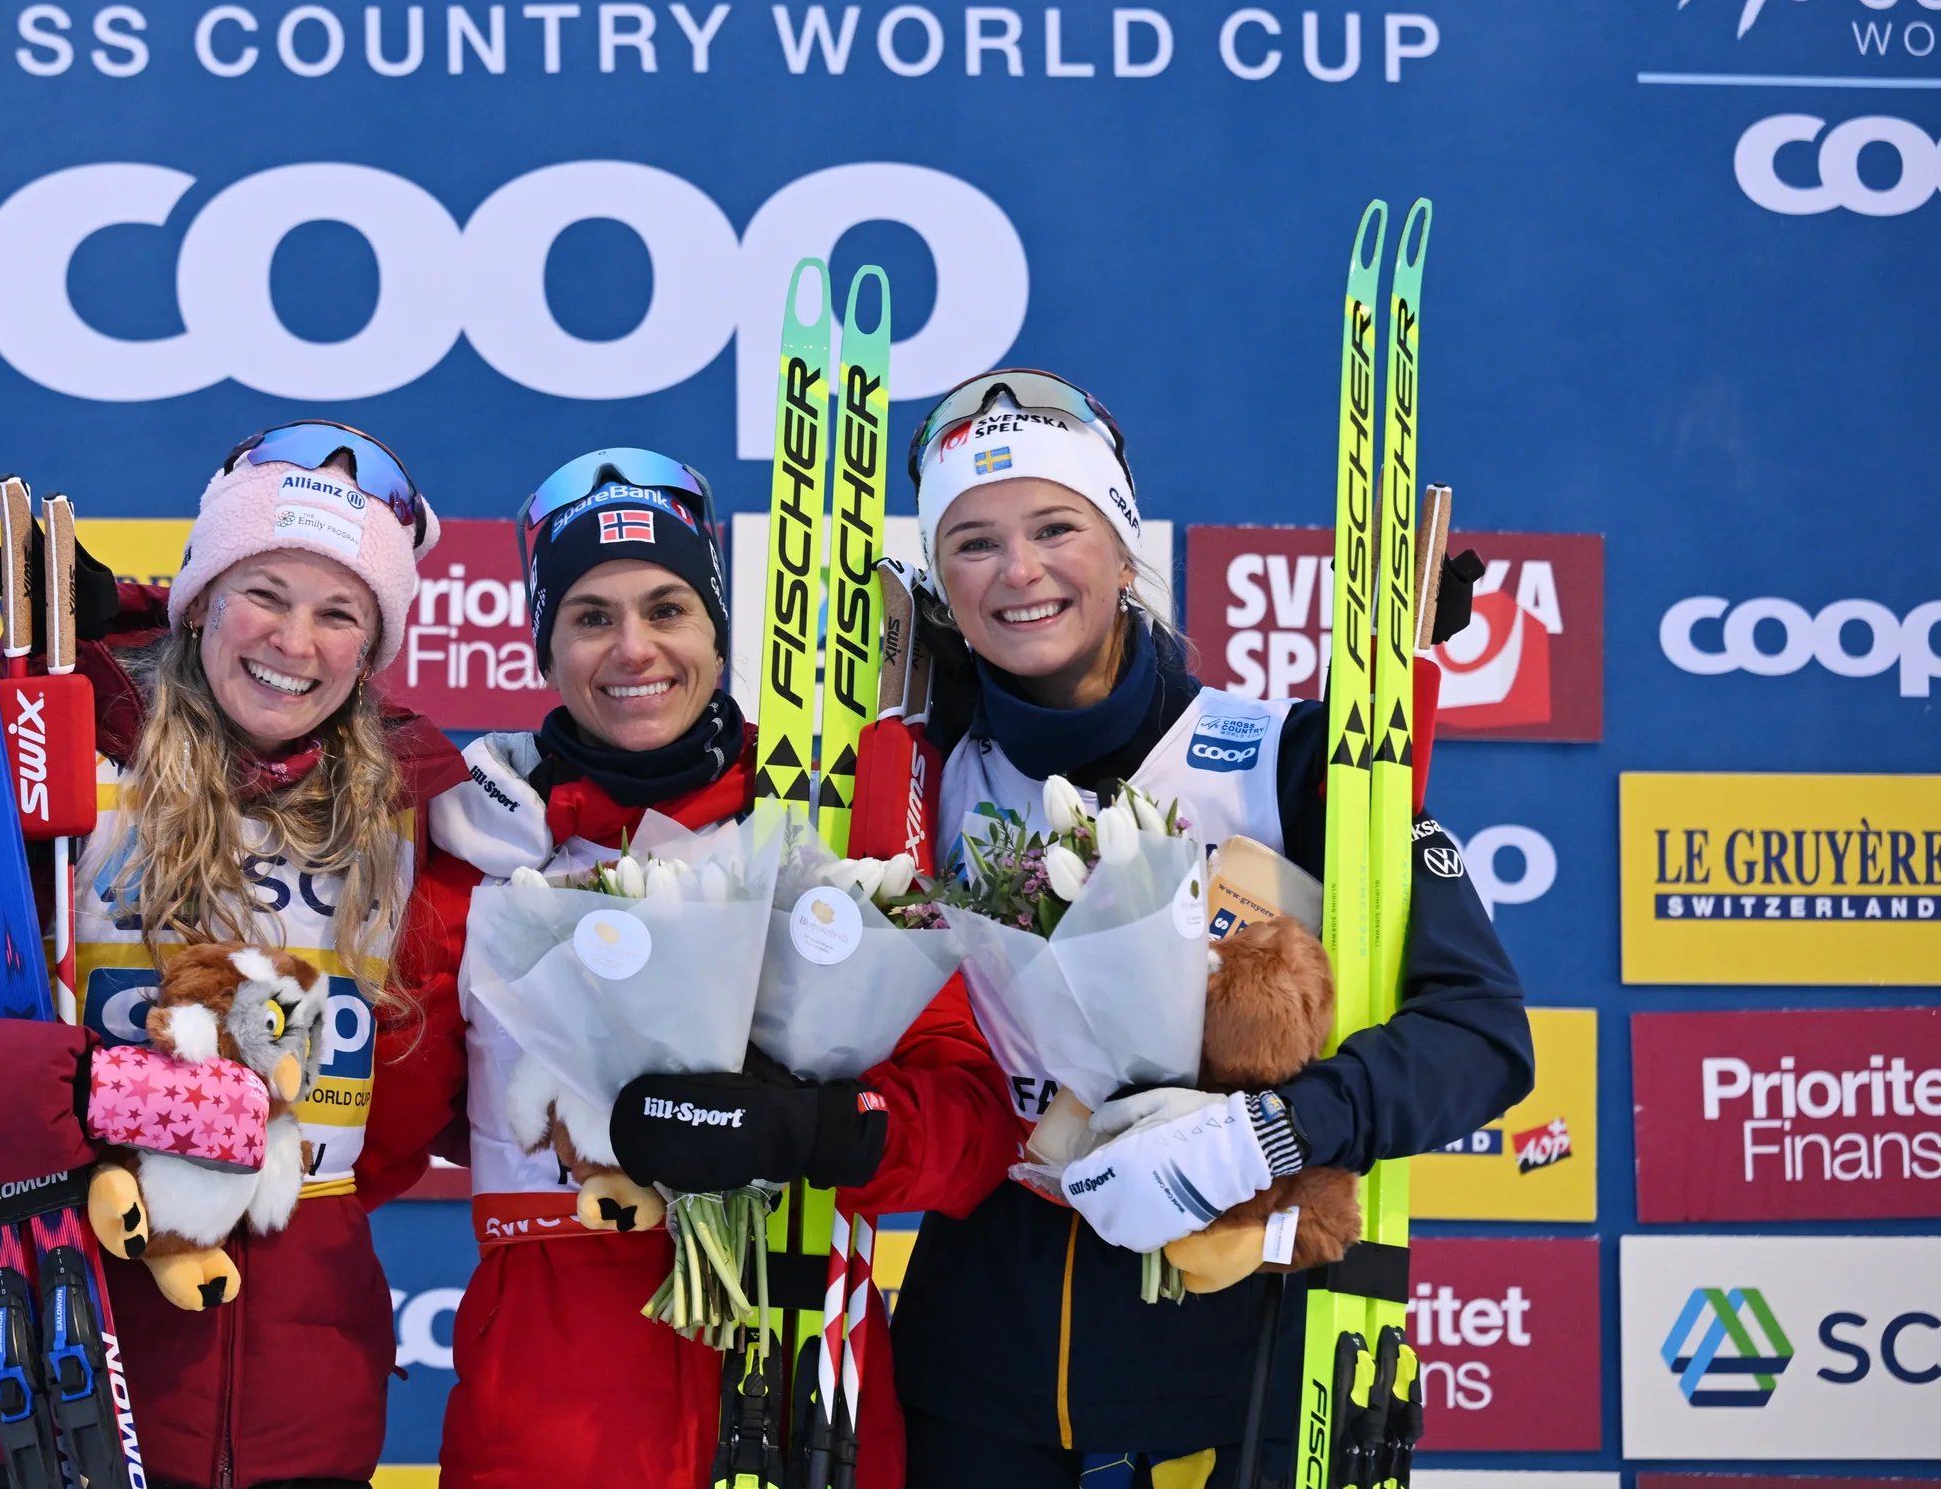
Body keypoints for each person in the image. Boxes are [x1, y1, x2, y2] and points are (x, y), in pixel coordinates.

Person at [0, 421, 468, 1489]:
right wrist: (94, 1093)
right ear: (201, 599)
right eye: (263, 592)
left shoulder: (408, 822)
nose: (296, 642)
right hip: (48, 1401)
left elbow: (434, 1107)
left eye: (341, 613)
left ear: (372, 650)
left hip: (303, 1429)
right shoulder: (36, 772)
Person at [880, 371, 1534, 1489]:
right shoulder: (920, 771)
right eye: (974, 542)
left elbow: (1480, 1036)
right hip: (982, 1369)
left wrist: (1266, 1134)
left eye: (1055, 527)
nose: (1020, 571)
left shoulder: (1289, 759)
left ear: (1123, 545)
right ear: (943, 580)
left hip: (1244, 1369)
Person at [406, 448, 1026, 1489]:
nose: (633, 648)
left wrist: (823, 1128)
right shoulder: (478, 853)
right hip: (552, 1431)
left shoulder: (826, 833)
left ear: (718, 628)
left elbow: (974, 1124)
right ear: (546, 646)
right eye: (590, 617)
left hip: (804, 1398)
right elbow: (391, 1136)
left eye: (668, 608)